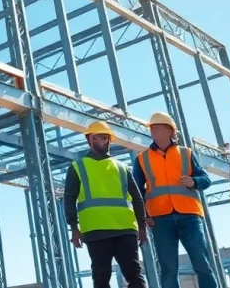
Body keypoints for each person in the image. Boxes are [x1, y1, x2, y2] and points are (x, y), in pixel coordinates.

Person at [134, 112, 217, 288]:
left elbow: (206, 179)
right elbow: (136, 191)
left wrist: (194, 181)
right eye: (152, 128)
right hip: (160, 218)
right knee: (168, 270)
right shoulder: (142, 158)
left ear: (170, 131)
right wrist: (143, 216)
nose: (153, 131)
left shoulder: (187, 153)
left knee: (202, 264)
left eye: (157, 127)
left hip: (190, 216)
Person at [64, 120, 148, 288]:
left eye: (106, 138)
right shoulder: (77, 167)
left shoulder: (122, 167)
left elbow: (138, 198)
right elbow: (69, 199)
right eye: (99, 138)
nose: (103, 141)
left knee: (135, 276)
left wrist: (142, 226)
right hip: (96, 230)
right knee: (101, 277)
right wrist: (74, 227)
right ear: (90, 139)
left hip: (125, 229)